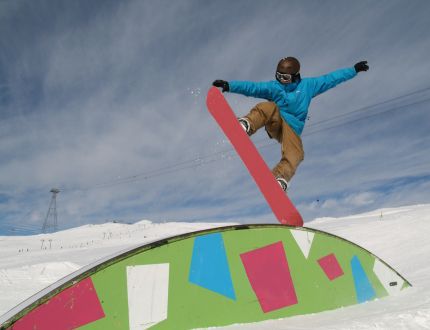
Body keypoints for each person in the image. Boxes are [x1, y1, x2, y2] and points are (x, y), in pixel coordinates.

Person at [212, 57, 369, 192]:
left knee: (297, 154)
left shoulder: (309, 85)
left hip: (292, 129)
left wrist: (353, 70)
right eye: (278, 76)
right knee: (269, 107)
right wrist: (230, 85)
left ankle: (279, 178)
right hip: (276, 123)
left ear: (295, 76)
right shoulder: (275, 87)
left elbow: (331, 79)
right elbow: (253, 87)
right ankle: (246, 124)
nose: (281, 81)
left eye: (285, 78)